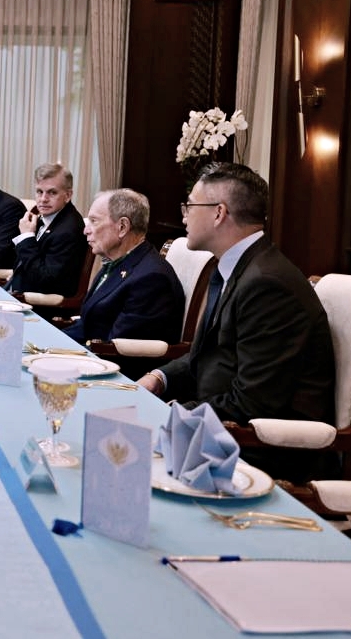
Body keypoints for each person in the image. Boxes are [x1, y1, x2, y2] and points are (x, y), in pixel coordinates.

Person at [138, 163, 336, 480]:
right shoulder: (237, 267)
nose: (184, 215)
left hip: (263, 449)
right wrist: (158, 378)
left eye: (189, 205)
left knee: (121, 456)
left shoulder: (269, 284)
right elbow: (209, 355)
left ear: (219, 213)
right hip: (219, 425)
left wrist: (172, 414)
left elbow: (253, 403)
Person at [62, 189, 184, 345]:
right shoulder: (118, 261)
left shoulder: (151, 279)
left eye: (94, 221)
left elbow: (116, 347)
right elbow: (88, 326)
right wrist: (48, 343)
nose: (86, 230)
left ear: (122, 227)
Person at [6, 162, 87, 297]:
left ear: (68, 195)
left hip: (40, 305)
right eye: (39, 191)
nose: (43, 199)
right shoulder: (45, 216)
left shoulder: (68, 229)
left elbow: (45, 280)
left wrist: (26, 237)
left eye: (52, 192)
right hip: (17, 289)